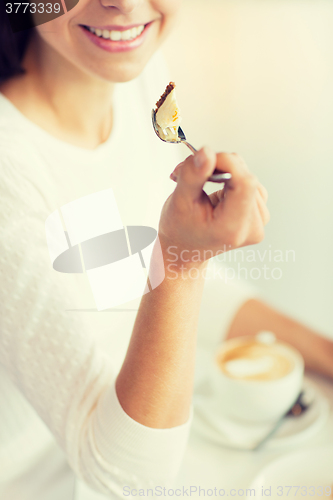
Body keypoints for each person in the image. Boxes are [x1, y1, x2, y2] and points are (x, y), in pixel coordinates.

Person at [0, 0, 331, 498]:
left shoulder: (134, 69)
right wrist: (182, 259)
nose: (125, 4)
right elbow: (125, 477)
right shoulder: (12, 173)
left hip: (157, 425)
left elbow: (135, 273)